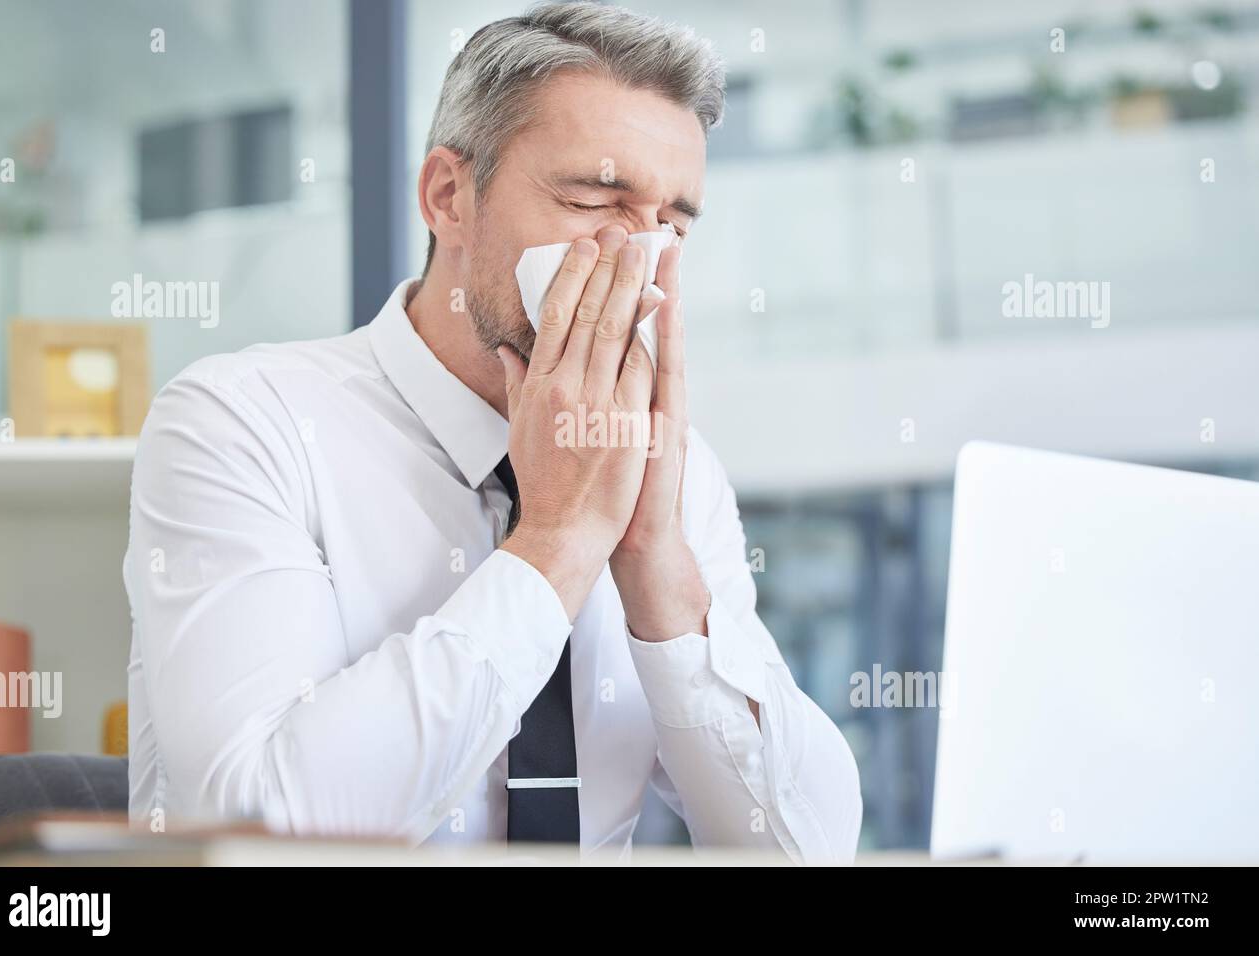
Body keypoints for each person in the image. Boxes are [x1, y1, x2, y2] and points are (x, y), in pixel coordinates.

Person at [125, 1, 861, 863]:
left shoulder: (674, 476)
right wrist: (557, 539)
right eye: (594, 199)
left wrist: (658, 564)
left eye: (673, 227)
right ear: (449, 198)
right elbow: (264, 828)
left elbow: (804, 851)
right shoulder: (242, 423)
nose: (640, 260)